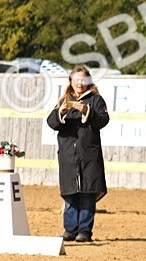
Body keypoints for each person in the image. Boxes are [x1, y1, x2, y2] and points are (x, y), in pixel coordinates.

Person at [46, 66, 109, 242]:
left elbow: (103, 120)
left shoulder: (96, 100)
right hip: (68, 154)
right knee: (70, 191)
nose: (80, 84)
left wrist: (86, 112)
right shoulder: (64, 100)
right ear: (71, 82)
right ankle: (70, 229)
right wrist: (61, 113)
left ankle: (84, 231)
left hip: (89, 153)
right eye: (77, 80)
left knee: (88, 191)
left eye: (83, 80)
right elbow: (51, 122)